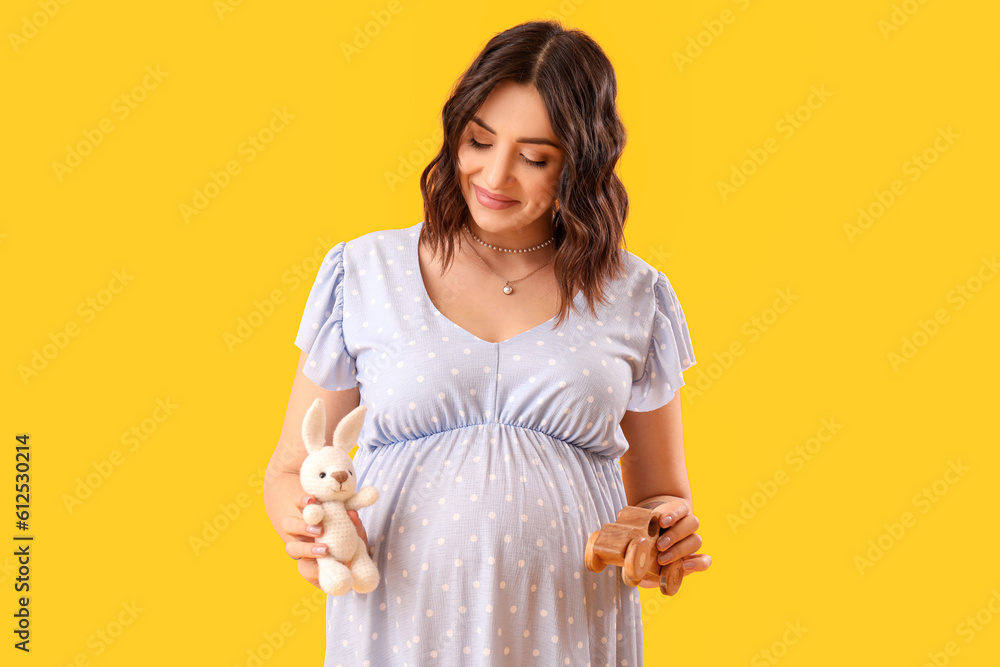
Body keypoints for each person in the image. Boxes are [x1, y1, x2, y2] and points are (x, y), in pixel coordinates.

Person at [263, 19, 712, 666]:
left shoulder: (633, 294)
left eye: (534, 158)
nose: (494, 175)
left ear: (581, 165)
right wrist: (308, 527)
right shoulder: (364, 274)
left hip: (568, 628)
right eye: (479, 141)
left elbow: (662, 493)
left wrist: (666, 531)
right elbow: (287, 467)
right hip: (398, 625)